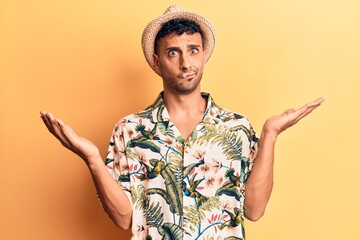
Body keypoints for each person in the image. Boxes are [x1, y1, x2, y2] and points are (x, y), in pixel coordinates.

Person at [40, 5, 324, 240]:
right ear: (157, 61)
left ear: (204, 55)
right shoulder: (130, 129)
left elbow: (255, 209)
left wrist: (270, 134)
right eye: (173, 52)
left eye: (193, 50)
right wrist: (91, 158)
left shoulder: (236, 128)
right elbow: (124, 218)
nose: (186, 63)